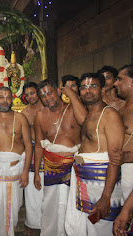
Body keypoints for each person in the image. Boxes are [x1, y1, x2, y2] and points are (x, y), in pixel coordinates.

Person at [65, 73, 124, 236]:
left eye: (93, 86)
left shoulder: (110, 115)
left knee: (100, 228)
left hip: (101, 186)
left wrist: (106, 196)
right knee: (86, 227)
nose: (87, 91)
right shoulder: (90, 114)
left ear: (103, 88)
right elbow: (80, 117)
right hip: (85, 183)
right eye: (83, 87)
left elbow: (115, 159)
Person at [33, 79, 82, 236]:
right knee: (51, 206)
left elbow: (86, 126)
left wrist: (73, 95)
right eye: (43, 96)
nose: (48, 98)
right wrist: (36, 173)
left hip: (74, 167)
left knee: (72, 205)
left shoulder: (74, 110)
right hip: (51, 167)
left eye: (50, 93)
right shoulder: (40, 116)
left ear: (58, 91)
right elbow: (39, 145)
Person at [0, 86, 32, 236]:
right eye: (1, 97)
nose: (5, 101)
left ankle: (9, 232)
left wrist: (25, 172)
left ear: (12, 99)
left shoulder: (20, 118)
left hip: (16, 166)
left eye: (8, 97)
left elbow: (29, 144)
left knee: (14, 205)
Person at [20, 82, 44, 235]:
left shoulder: (48, 107)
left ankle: (47, 221)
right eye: (27, 94)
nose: (30, 97)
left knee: (48, 188)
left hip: (48, 150)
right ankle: (32, 222)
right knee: (31, 191)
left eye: (32, 93)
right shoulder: (24, 113)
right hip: (32, 150)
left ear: (38, 93)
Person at [113, 65, 133, 201]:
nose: (115, 83)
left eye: (120, 79)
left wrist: (126, 158)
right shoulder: (122, 107)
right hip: (119, 173)